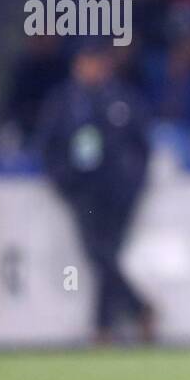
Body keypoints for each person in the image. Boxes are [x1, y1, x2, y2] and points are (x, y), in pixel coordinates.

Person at [37, 41, 156, 345]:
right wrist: (64, 181)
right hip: (83, 191)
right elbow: (47, 146)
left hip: (118, 192)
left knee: (106, 256)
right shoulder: (64, 102)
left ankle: (104, 327)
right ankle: (135, 309)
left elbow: (142, 145)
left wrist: (133, 181)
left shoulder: (122, 99)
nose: (92, 67)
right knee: (100, 255)